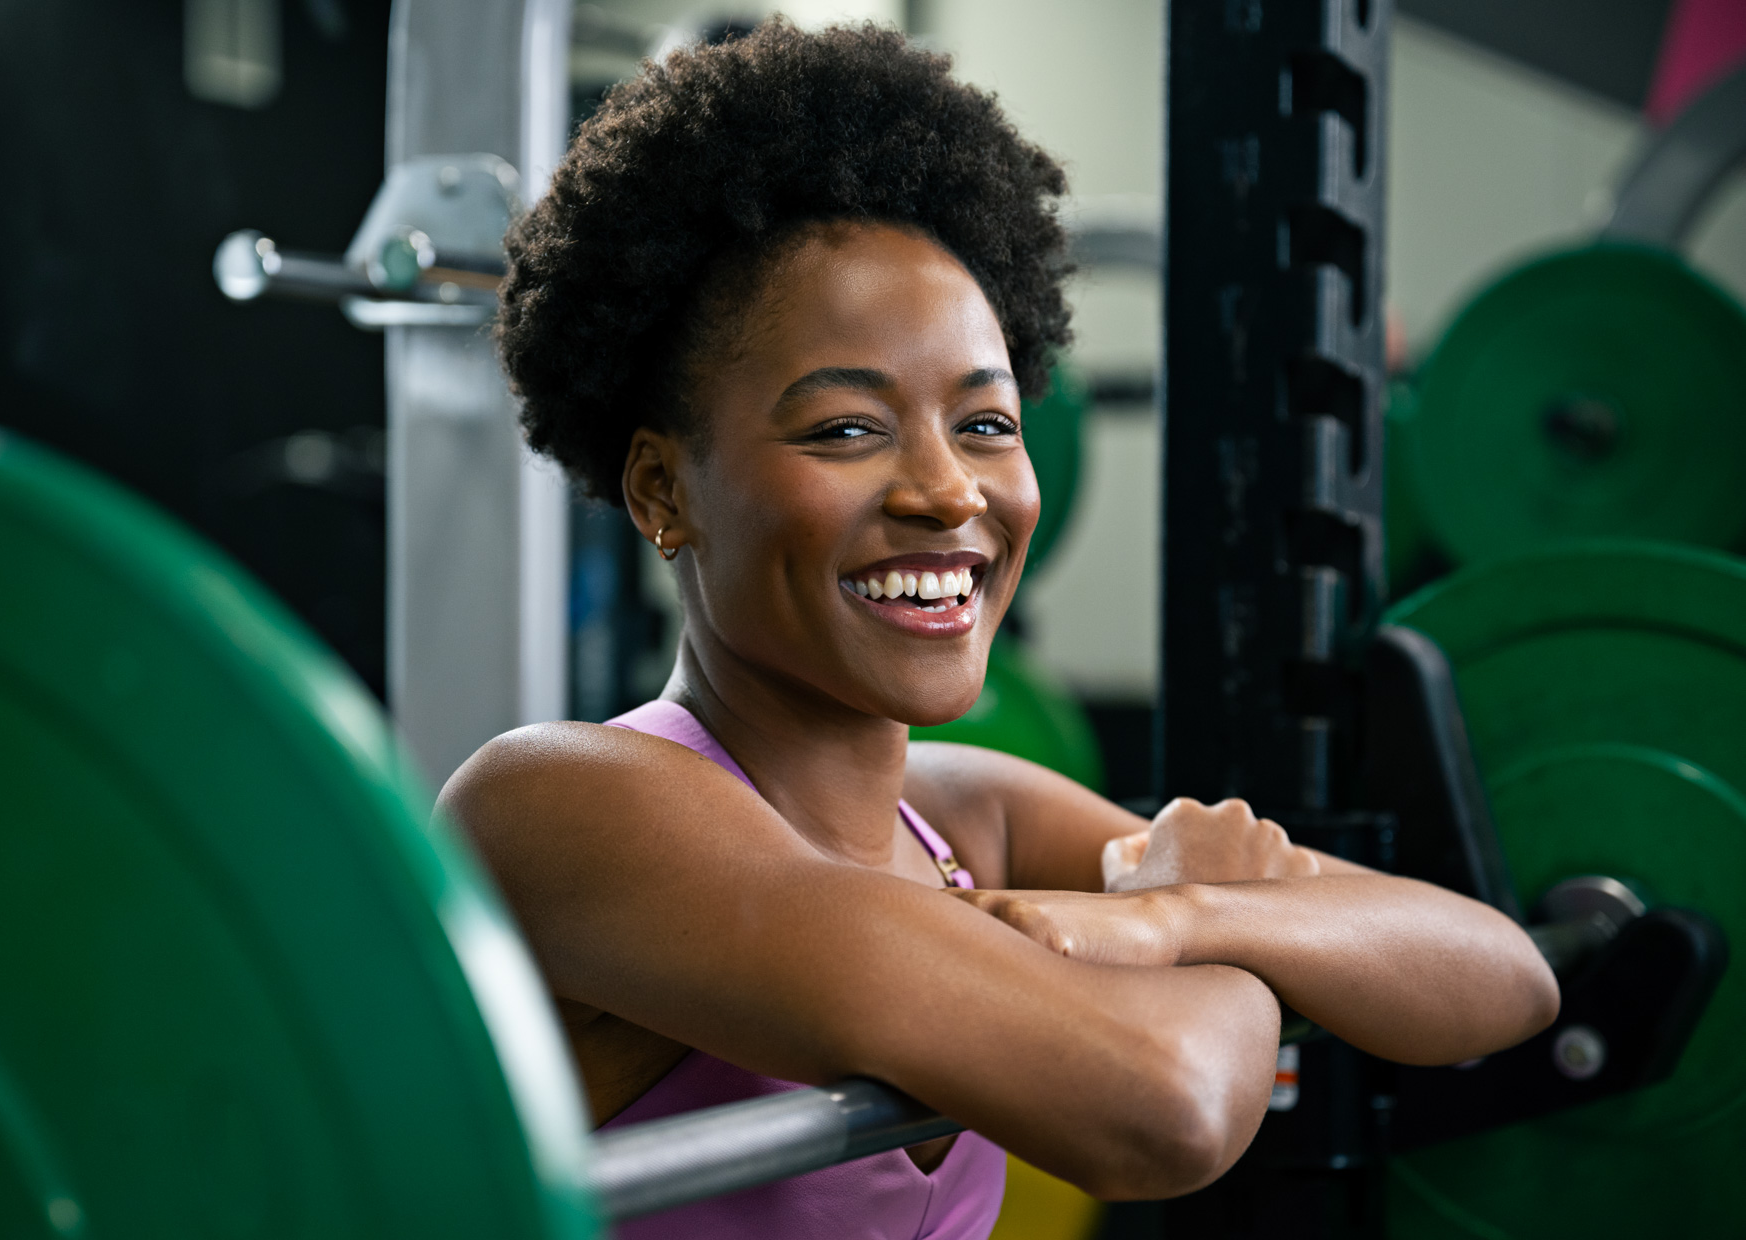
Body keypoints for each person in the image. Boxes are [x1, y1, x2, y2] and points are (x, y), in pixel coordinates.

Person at [443, 21, 1558, 1239]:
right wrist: (1250, 947)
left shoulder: (968, 815)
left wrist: (1180, 920)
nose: (949, 492)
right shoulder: (564, 807)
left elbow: (1499, 974)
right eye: (846, 430)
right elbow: (1163, 1109)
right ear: (662, 490)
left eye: (984, 424)